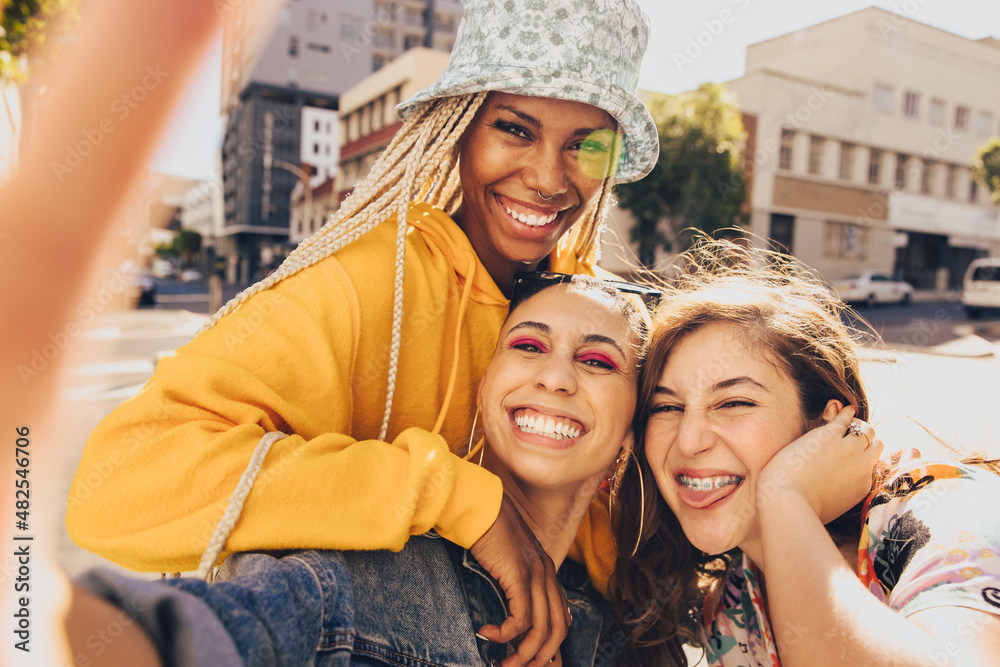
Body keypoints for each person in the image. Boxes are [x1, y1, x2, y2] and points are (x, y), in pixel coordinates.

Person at [66, 0, 658, 662]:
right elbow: (115, 487)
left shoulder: (585, 307)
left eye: (586, 145)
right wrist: (452, 495)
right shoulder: (365, 281)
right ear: (457, 126)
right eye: (515, 130)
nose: (549, 178)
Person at [67, 273, 652, 666]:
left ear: (634, 428)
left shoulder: (638, 634)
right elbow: (192, 635)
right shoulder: (357, 584)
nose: (554, 377)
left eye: (598, 360)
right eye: (527, 346)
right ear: (484, 391)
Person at [611, 240, 1000, 666]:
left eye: (734, 403)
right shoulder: (730, 613)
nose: (689, 441)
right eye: (666, 407)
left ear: (826, 421)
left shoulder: (945, 509)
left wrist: (786, 497)